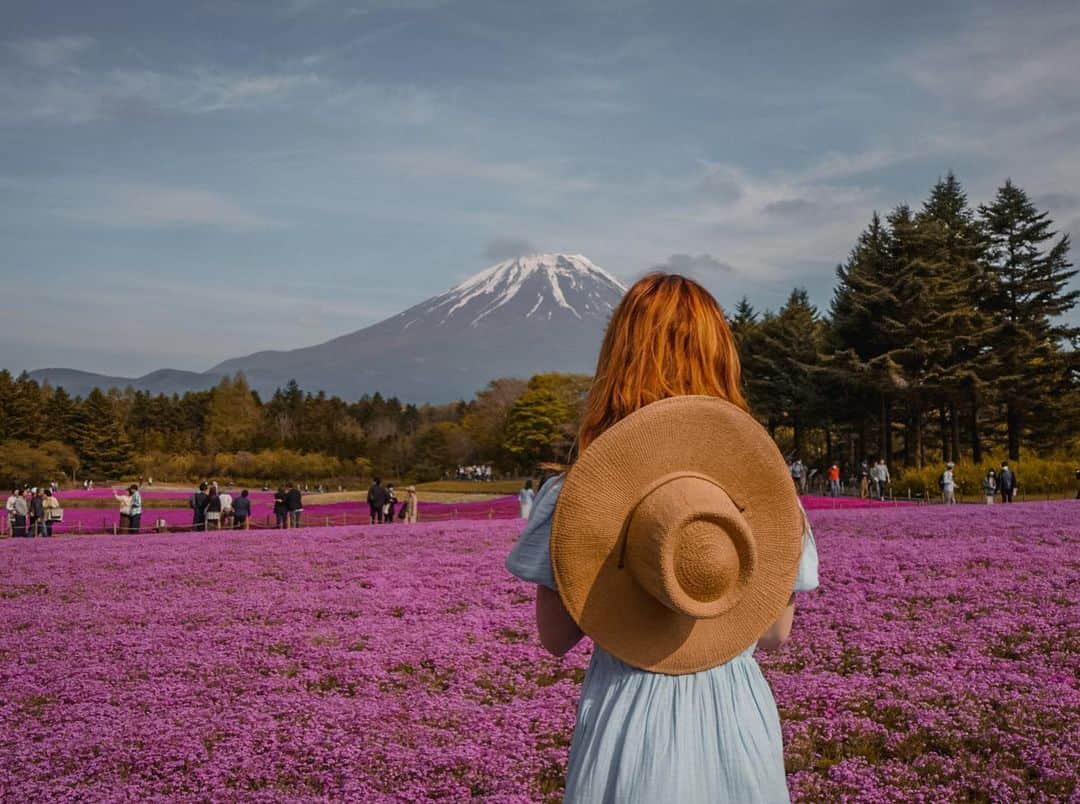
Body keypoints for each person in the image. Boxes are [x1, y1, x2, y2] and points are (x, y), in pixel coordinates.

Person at [505, 272, 819, 802]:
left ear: (618, 359)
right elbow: (773, 633)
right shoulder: (766, 493)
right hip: (734, 713)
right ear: (722, 360)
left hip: (628, 715)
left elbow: (556, 637)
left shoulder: (577, 490)